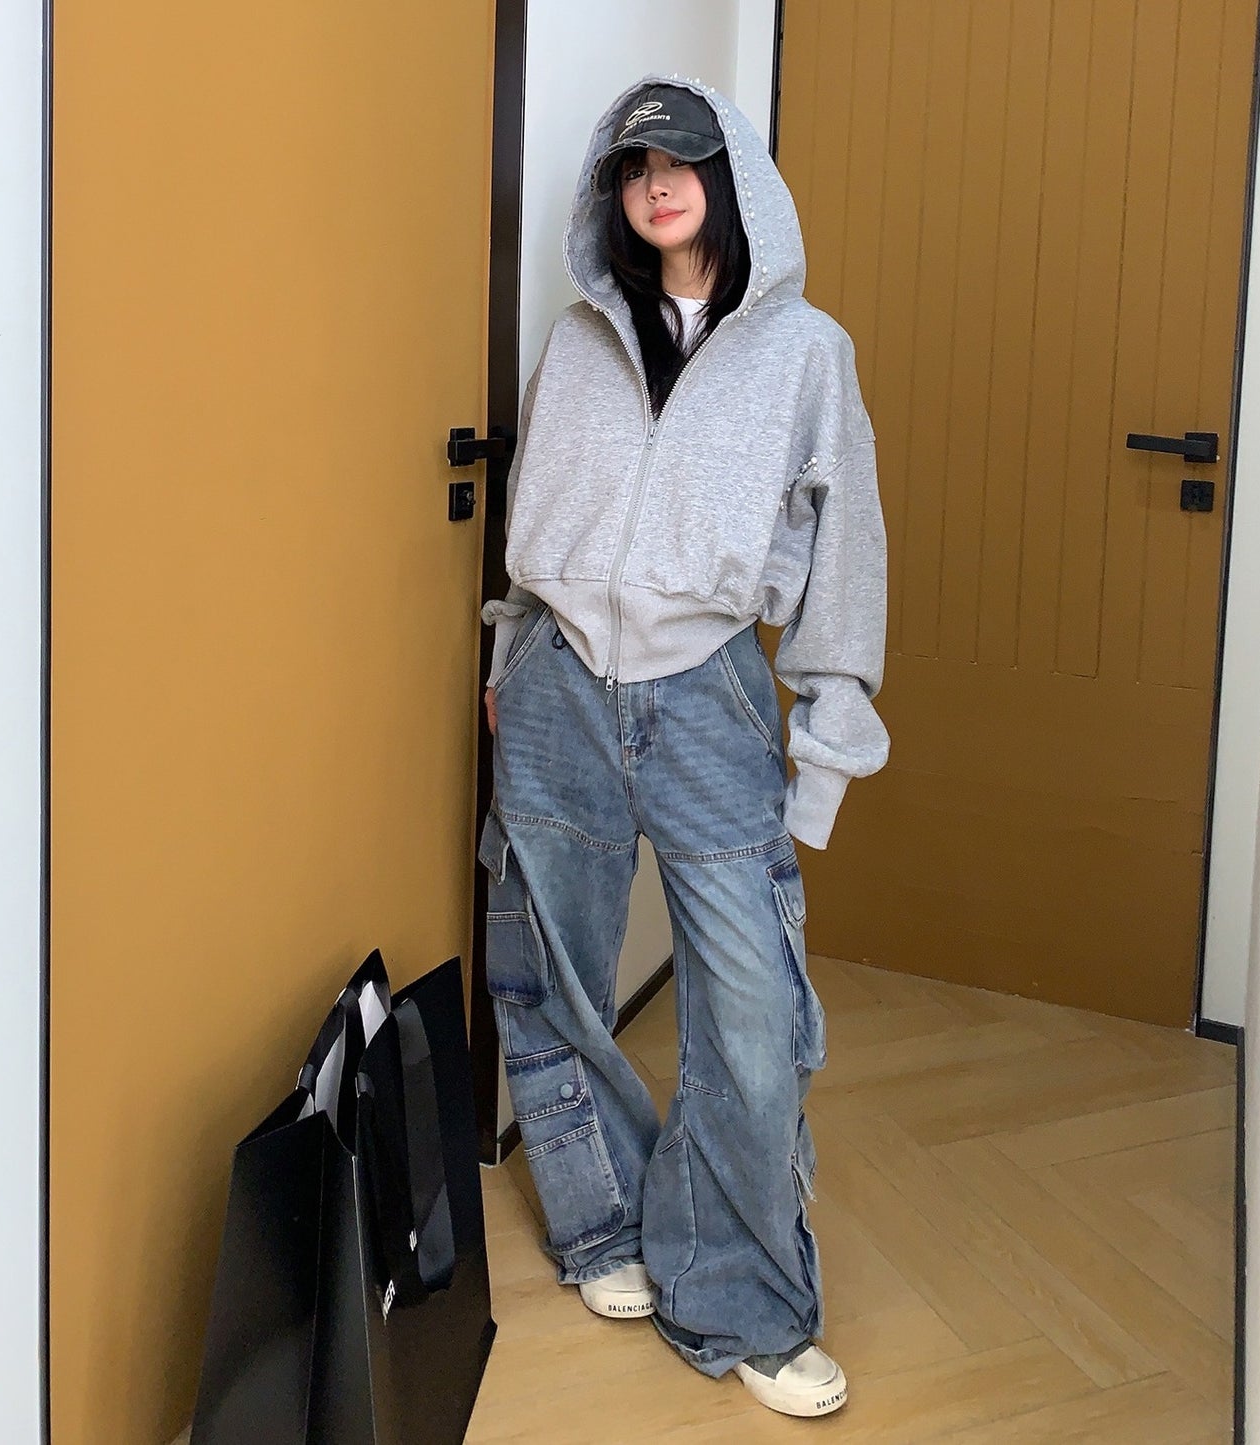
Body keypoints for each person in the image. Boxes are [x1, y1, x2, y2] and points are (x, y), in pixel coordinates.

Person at [477, 75, 888, 1420]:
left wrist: (826, 746)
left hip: (708, 689)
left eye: (683, 159)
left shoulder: (804, 352)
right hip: (557, 683)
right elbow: (539, 511)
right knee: (549, 970)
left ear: (731, 176)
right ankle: (602, 1222)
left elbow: (844, 553)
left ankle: (741, 1297)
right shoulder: (577, 339)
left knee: (750, 1012)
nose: (657, 182)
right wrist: (511, 659)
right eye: (634, 164)